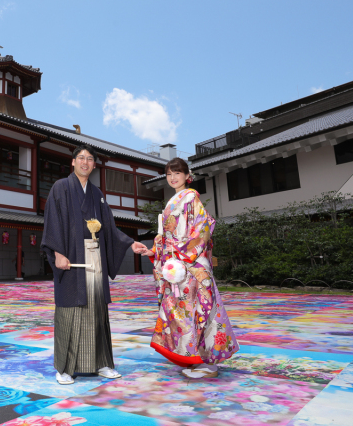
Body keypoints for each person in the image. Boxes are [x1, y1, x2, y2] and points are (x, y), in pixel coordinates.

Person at [42, 144, 149, 385]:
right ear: (73, 162)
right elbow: (53, 221)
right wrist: (57, 252)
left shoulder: (97, 194)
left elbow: (109, 227)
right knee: (70, 312)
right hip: (70, 259)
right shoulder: (61, 188)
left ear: (93, 164)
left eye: (90, 159)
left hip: (94, 259)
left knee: (97, 312)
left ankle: (101, 363)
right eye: (81, 158)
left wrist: (130, 244)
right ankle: (65, 368)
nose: (85, 162)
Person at [142, 157, 238, 378]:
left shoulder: (191, 197)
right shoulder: (172, 201)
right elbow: (165, 237)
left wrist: (182, 253)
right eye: (169, 174)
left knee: (199, 310)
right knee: (181, 311)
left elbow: (201, 231)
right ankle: (191, 356)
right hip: (176, 265)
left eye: (177, 173)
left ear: (187, 176)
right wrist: (154, 252)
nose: (173, 177)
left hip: (190, 263)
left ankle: (206, 361)